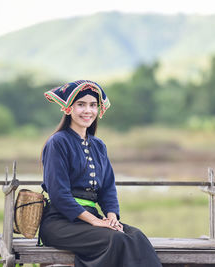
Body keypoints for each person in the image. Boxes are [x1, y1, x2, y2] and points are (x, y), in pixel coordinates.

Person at [39, 80, 162, 267]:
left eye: (93, 105)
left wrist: (111, 218)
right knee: (116, 240)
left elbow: (108, 189)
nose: (88, 110)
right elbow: (59, 195)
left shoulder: (98, 145)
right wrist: (96, 221)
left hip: (90, 220)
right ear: (68, 108)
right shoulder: (57, 143)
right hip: (60, 223)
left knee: (136, 236)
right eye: (81, 104)